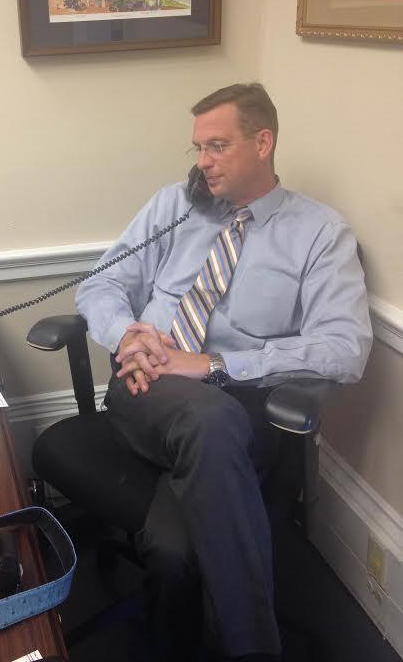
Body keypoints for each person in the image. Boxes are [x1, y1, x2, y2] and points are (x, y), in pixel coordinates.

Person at [75, 82, 372, 662]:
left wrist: (215, 364)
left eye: (217, 146)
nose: (203, 162)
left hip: (241, 404)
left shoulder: (320, 233)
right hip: (147, 386)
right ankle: (255, 651)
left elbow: (345, 348)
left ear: (263, 143)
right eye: (198, 149)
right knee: (209, 420)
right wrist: (128, 334)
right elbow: (102, 284)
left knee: (173, 551)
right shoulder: (174, 207)